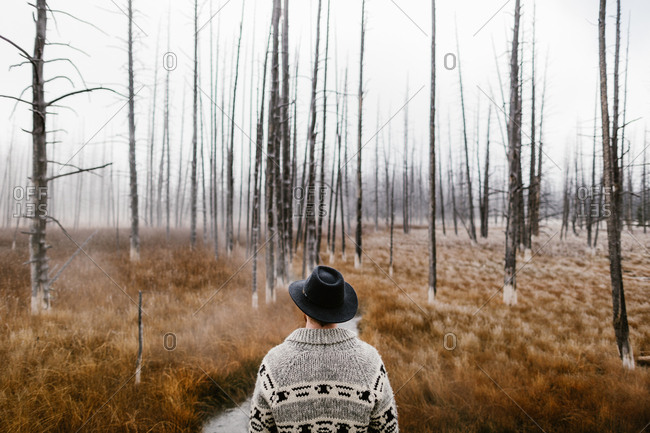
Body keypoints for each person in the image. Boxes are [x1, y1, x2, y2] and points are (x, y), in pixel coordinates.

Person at [248, 265, 399, 433]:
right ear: (340, 312)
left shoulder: (274, 363)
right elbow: (389, 429)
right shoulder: (370, 362)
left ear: (303, 310)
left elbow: (257, 429)